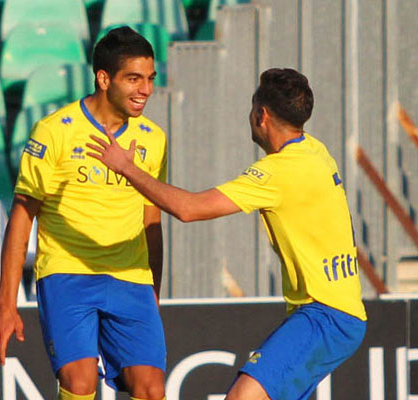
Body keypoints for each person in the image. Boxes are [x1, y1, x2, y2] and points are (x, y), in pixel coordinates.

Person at [86, 68, 367, 400]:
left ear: (261, 115)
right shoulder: (315, 150)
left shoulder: (278, 172)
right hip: (340, 313)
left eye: (252, 108)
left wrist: (126, 167)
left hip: (324, 314)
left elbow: (189, 209)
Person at [0, 26, 168, 400]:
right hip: (68, 274)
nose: (145, 90)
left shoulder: (153, 138)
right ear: (104, 78)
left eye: (150, 79)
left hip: (130, 276)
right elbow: (22, 216)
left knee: (150, 388)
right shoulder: (53, 132)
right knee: (79, 382)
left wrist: (153, 290)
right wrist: (7, 304)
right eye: (134, 79)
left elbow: (152, 220)